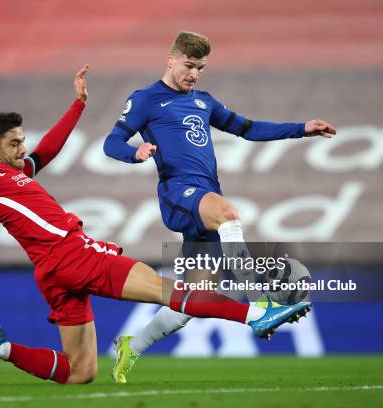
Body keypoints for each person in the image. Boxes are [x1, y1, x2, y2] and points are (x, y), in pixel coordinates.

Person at [0, 64, 310, 385]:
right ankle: (257, 312)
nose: (23, 148)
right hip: (71, 254)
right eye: (14, 143)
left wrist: (76, 106)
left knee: (81, 373)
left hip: (51, 272)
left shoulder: (15, 174)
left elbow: (49, 151)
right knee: (165, 289)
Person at [103, 30, 336, 383]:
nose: (193, 74)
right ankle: (261, 305)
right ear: (170, 59)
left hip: (204, 197)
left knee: (194, 300)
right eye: (188, 65)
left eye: (200, 67)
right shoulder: (146, 99)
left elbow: (249, 128)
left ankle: (132, 346)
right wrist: (134, 153)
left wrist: (302, 128)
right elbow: (111, 142)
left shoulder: (204, 101)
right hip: (179, 194)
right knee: (228, 213)